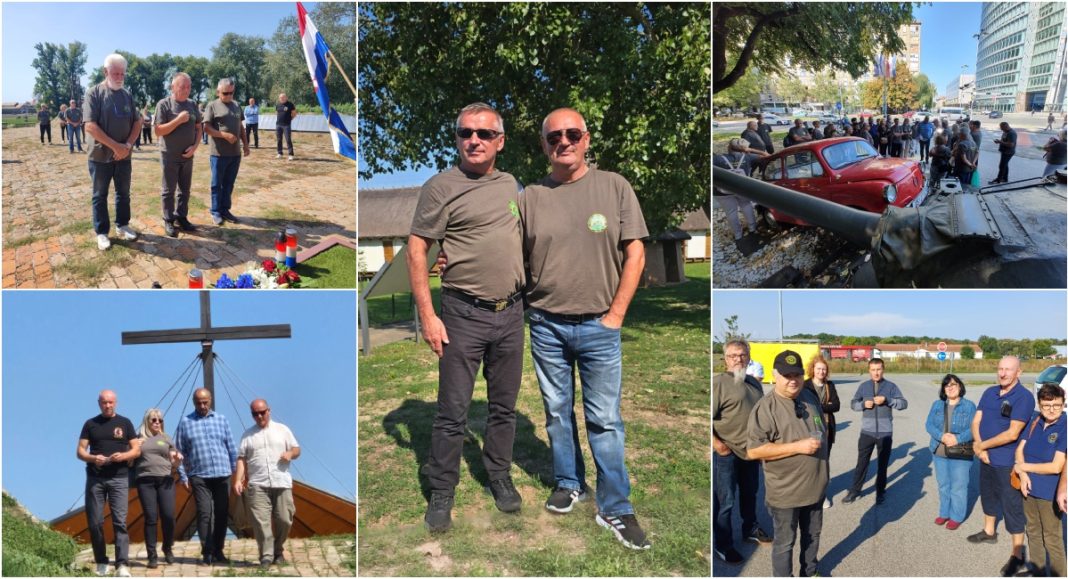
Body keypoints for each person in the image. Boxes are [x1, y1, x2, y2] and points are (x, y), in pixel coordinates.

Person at [521, 107, 650, 549]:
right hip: (545, 325)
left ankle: (616, 508)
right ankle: (568, 482)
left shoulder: (614, 187)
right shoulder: (530, 197)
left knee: (605, 420)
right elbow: (504, 253)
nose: (564, 141)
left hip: (600, 324)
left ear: (586, 138)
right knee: (557, 412)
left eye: (572, 133)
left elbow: (635, 253)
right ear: (544, 145)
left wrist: (615, 314)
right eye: (554, 136)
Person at [407, 103, 525, 533]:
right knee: (452, 410)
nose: (473, 140)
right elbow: (418, 247)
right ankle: (442, 491)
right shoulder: (440, 186)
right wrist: (428, 315)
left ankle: (499, 476)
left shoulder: (513, 185)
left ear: (500, 141)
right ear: (457, 138)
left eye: (483, 133)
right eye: (465, 132)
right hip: (462, 313)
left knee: (504, 407)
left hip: (511, 313)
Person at [747, 350, 829, 578]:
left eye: (797, 374)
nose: (793, 380)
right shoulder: (766, 408)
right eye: (787, 375)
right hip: (786, 494)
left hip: (815, 488)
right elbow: (754, 450)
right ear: (775, 375)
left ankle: (810, 572)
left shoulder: (809, 398)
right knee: (785, 543)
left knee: (813, 536)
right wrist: (797, 447)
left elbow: (820, 427)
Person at [968, 356, 1036, 577]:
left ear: (1019, 372)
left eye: (1008, 369)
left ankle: (1017, 554)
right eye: (1000, 369)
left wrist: (980, 446)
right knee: (987, 495)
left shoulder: (1024, 398)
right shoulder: (989, 392)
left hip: (1006, 462)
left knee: (1011, 506)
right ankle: (989, 531)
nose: (1003, 373)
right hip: (986, 458)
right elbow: (976, 421)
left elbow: (1012, 433)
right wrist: (982, 449)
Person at [713, 340, 773, 565]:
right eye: (733, 355)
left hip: (751, 453)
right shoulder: (719, 383)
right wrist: (717, 444)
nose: (738, 359)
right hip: (727, 453)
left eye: (742, 355)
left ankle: (750, 528)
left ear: (749, 357)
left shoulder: (753, 383)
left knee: (750, 494)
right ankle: (723, 544)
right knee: (725, 501)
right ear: (725, 359)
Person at [77, 390, 140, 577]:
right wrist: (92, 457)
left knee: (120, 522)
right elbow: (80, 451)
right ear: (99, 403)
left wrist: (124, 455)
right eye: (104, 402)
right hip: (95, 479)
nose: (108, 405)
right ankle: (101, 562)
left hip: (119, 478)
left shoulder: (125, 423)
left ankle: (122, 565)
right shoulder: (90, 424)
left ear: (116, 403)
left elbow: (136, 450)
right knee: (95, 522)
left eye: (111, 402)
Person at [85, 53, 143, 251]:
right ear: (105, 72)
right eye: (115, 73)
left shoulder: (127, 95)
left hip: (124, 157)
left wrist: (126, 145)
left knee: (123, 193)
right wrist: (115, 146)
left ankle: (122, 225)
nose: (119, 77)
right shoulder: (94, 93)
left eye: (122, 74)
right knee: (99, 195)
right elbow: (90, 126)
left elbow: (138, 121)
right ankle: (102, 233)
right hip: (100, 157)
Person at [174, 388, 238, 566]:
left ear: (210, 400)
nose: (202, 405)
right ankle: (207, 552)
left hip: (222, 473)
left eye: (205, 402)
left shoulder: (221, 420)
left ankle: (219, 549)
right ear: (194, 402)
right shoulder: (185, 423)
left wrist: (236, 475)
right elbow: (178, 452)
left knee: (222, 514)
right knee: (204, 513)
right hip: (199, 475)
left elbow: (231, 448)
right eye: (199, 402)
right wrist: (183, 476)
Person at [234, 399, 301, 568]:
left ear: (269, 411)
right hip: (258, 483)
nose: (259, 416)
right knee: (261, 522)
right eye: (255, 413)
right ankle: (266, 555)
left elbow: (297, 449)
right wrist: (237, 479)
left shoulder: (282, 430)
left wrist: (290, 454)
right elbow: (241, 458)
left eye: (262, 412)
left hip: (281, 481)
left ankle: (278, 551)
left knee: (285, 519)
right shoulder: (247, 435)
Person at [1013, 384, 1066, 577]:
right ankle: (1038, 571)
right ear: (1040, 404)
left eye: (1057, 405)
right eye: (1046, 405)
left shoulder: (1065, 426)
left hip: (1048, 493)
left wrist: (1023, 467)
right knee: (1033, 532)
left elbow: (1056, 466)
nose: (1051, 410)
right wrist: (1024, 475)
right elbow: (1019, 450)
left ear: (1063, 404)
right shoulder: (1035, 420)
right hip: (1028, 488)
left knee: (1051, 538)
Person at [843, 358, 908, 504]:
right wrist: (863, 405)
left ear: (883, 369)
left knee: (882, 465)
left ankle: (880, 492)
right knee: (862, 463)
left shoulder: (891, 386)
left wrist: (888, 400)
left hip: (885, 433)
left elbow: (904, 403)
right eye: (873, 370)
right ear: (869, 371)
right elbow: (853, 404)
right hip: (867, 432)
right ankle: (854, 491)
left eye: (878, 369)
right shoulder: (863, 386)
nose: (876, 373)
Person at [924, 374, 976, 531]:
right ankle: (944, 512)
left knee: (958, 486)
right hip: (939, 451)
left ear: (960, 387)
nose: (950, 387)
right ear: (943, 389)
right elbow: (929, 424)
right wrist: (941, 436)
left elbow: (975, 428)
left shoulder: (969, 406)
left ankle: (956, 516)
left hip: (961, 451)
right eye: (947, 385)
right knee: (943, 485)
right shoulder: (937, 404)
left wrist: (958, 438)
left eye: (954, 384)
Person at [154, 72, 203, 237]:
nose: (186, 89)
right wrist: (178, 120)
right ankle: (168, 219)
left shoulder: (192, 104)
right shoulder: (164, 104)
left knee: (185, 190)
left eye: (189, 86)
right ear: (173, 87)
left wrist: (195, 147)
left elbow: (199, 127)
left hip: (188, 156)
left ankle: (181, 217)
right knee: (169, 190)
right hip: (170, 155)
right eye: (182, 86)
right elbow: (158, 131)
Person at [134, 408, 182, 569]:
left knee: (168, 516)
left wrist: (178, 460)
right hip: (145, 480)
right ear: (147, 421)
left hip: (165, 480)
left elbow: (174, 461)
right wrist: (134, 448)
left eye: (160, 420)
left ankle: (167, 548)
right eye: (154, 419)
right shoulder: (138, 438)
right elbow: (129, 461)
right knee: (151, 517)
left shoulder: (166, 438)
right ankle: (152, 555)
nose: (157, 422)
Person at [203, 78, 249, 226]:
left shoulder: (236, 106)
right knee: (217, 184)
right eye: (225, 93)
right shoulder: (212, 106)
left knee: (229, 184)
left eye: (231, 93)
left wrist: (246, 145)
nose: (229, 96)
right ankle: (215, 211)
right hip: (218, 154)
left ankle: (225, 210)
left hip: (235, 154)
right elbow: (206, 128)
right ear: (218, 92)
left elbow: (241, 127)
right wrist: (224, 135)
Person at [712, 138, 766, 240]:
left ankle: (738, 235)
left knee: (731, 212)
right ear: (744, 149)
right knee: (746, 205)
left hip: (722, 192)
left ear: (729, 147)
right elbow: (766, 156)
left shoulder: (717, 159)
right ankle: (752, 228)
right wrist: (750, 150)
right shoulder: (748, 157)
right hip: (742, 188)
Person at [803, 355, 840, 508]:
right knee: (809, 462)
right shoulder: (805, 385)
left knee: (824, 462)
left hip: (827, 428)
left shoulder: (829, 385)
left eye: (824, 369)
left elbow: (836, 406)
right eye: (818, 368)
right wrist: (825, 405)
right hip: (808, 428)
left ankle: (822, 495)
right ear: (813, 369)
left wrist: (817, 406)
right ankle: (807, 494)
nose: (821, 371)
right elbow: (803, 405)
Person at [274, 93, 297, 160]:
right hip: (278, 125)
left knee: (288, 139)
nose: (282, 98)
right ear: (279, 98)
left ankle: (290, 154)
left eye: (283, 97)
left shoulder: (290, 104)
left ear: (286, 97)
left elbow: (294, 114)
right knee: (279, 140)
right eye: (281, 97)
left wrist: (290, 119)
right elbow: (277, 113)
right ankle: (279, 153)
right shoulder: (278, 105)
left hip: (286, 125)